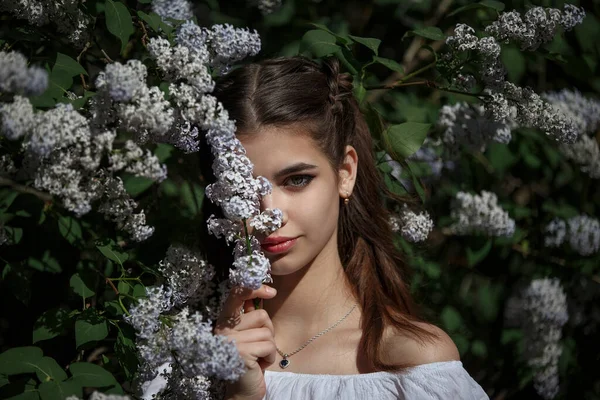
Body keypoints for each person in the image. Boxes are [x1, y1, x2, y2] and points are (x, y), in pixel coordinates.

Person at [201, 56, 489, 400]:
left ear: (345, 173)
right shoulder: (184, 358)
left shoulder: (412, 368)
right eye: (242, 190)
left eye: (296, 180)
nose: (270, 213)